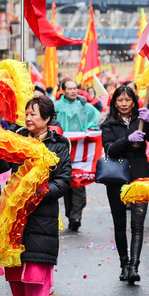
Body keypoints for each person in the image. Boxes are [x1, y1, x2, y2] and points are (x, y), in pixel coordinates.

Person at [0, 96, 71, 296]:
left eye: (34, 114)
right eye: (27, 113)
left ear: (46, 118)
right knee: (15, 274)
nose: (28, 118)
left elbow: (64, 181)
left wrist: (38, 194)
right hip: (14, 215)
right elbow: (1, 167)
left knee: (35, 270)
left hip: (41, 214)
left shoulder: (59, 144)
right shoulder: (17, 140)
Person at [101, 85, 149, 283]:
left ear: (134, 101)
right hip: (116, 178)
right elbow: (110, 150)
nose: (124, 104)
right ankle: (124, 264)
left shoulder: (141, 118)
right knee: (120, 224)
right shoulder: (109, 123)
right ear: (115, 103)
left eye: (128, 100)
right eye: (120, 100)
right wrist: (128, 139)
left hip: (140, 175)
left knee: (138, 224)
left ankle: (134, 266)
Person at [54, 79, 101, 232]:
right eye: (70, 88)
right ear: (63, 91)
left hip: (81, 149)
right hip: (63, 150)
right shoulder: (56, 107)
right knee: (66, 182)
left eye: (75, 88)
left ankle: (76, 216)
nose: (73, 91)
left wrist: (91, 129)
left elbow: (97, 119)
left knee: (79, 182)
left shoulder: (85, 106)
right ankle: (70, 214)